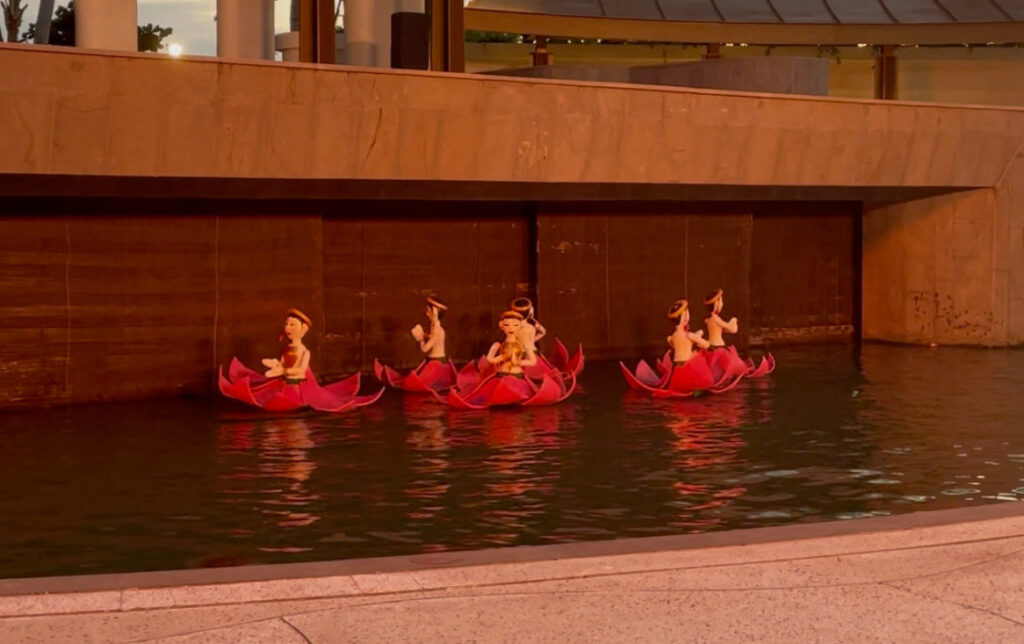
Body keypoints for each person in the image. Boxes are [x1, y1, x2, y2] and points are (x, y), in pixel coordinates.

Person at [262, 308, 312, 384]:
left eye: (292, 324)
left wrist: (284, 371)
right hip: (285, 380)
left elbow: (301, 369)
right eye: (286, 324)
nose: (287, 327)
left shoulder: (304, 351)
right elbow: (283, 363)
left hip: (297, 383)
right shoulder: (286, 348)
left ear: (304, 328)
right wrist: (277, 365)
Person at [486, 310, 538, 376]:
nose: (511, 328)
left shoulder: (523, 344)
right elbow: (492, 360)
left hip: (516, 374)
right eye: (506, 325)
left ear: (520, 325)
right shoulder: (501, 344)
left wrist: (517, 362)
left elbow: (533, 361)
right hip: (502, 373)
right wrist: (492, 354)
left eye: (515, 325)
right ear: (501, 325)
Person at [667, 299, 710, 364]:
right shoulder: (688, 335)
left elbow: (683, 343)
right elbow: (706, 344)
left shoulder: (672, 337)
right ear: (685, 316)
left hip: (676, 366)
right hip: (688, 364)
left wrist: (697, 334)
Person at [411, 294, 448, 364]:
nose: (427, 314)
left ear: (435, 312)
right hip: (432, 361)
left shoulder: (437, 330)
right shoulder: (434, 327)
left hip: (436, 363)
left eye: (428, 311)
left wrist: (420, 338)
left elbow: (425, 349)